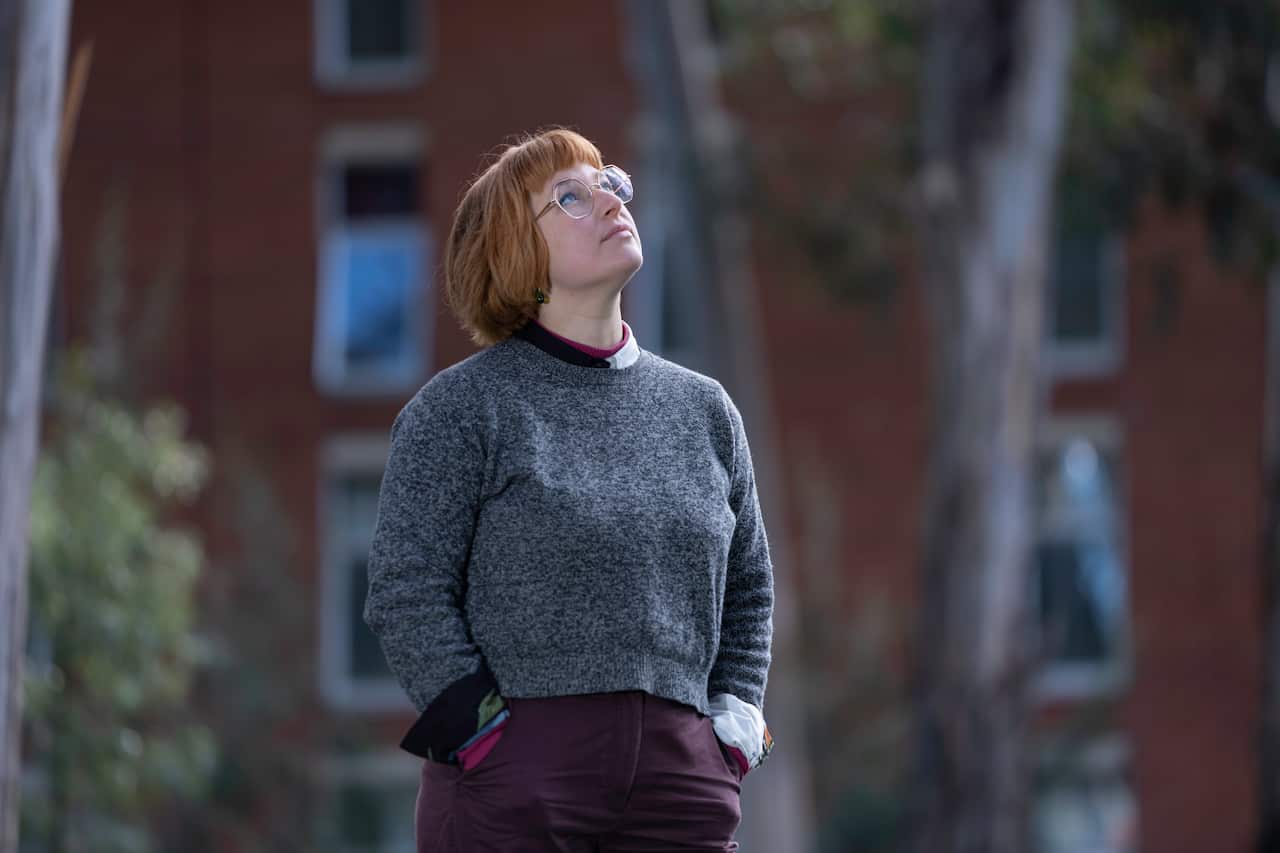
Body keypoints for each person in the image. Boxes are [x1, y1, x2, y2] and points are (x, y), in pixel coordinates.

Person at [364, 127, 775, 852]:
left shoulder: (705, 410)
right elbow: (406, 589)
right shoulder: (460, 409)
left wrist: (733, 737)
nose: (613, 202)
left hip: (681, 788)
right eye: (571, 198)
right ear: (514, 251)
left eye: (609, 183)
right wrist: (480, 734)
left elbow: (749, 590)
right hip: (515, 783)